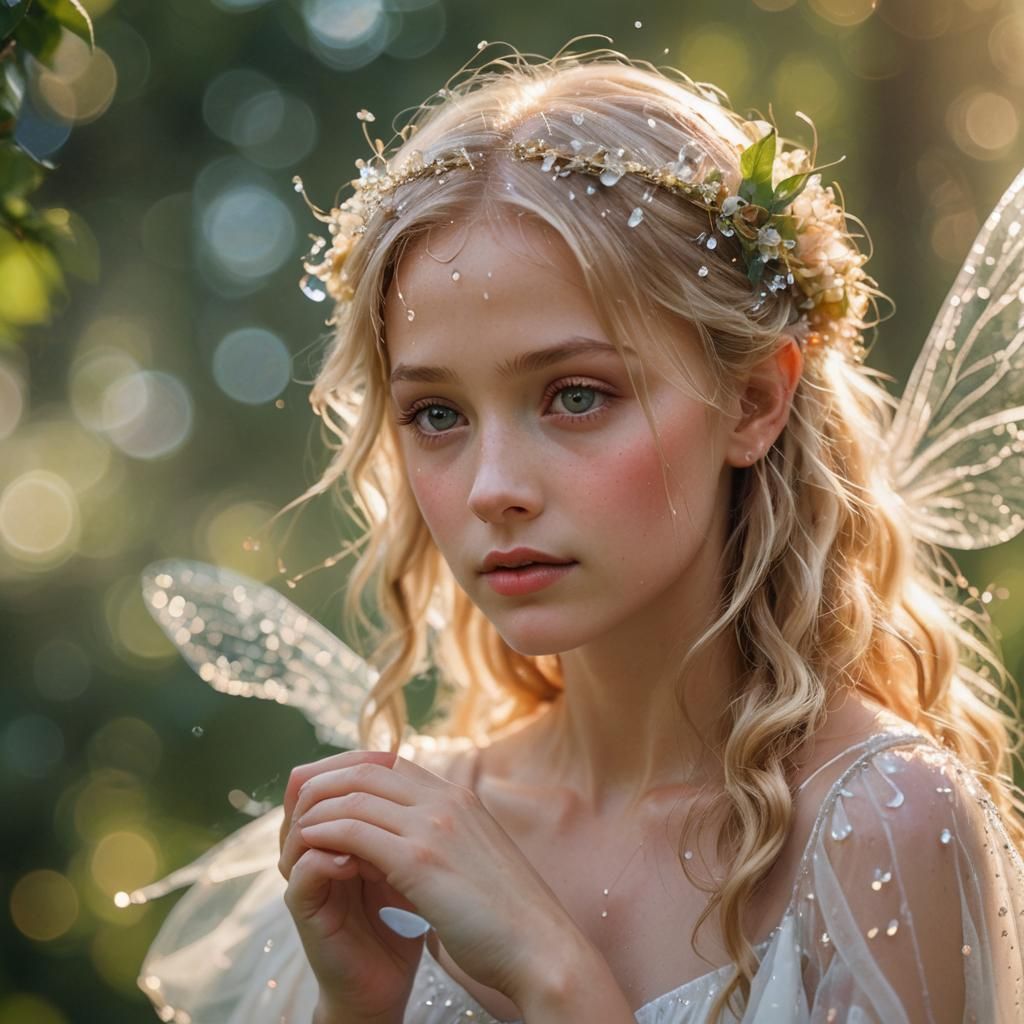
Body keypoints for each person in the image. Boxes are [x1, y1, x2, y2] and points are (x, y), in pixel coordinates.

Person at [134, 39, 1024, 1024]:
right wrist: (365, 1011)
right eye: (437, 414)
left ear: (753, 400)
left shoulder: (879, 827)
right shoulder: (394, 852)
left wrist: (555, 976)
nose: (495, 488)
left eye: (574, 394)